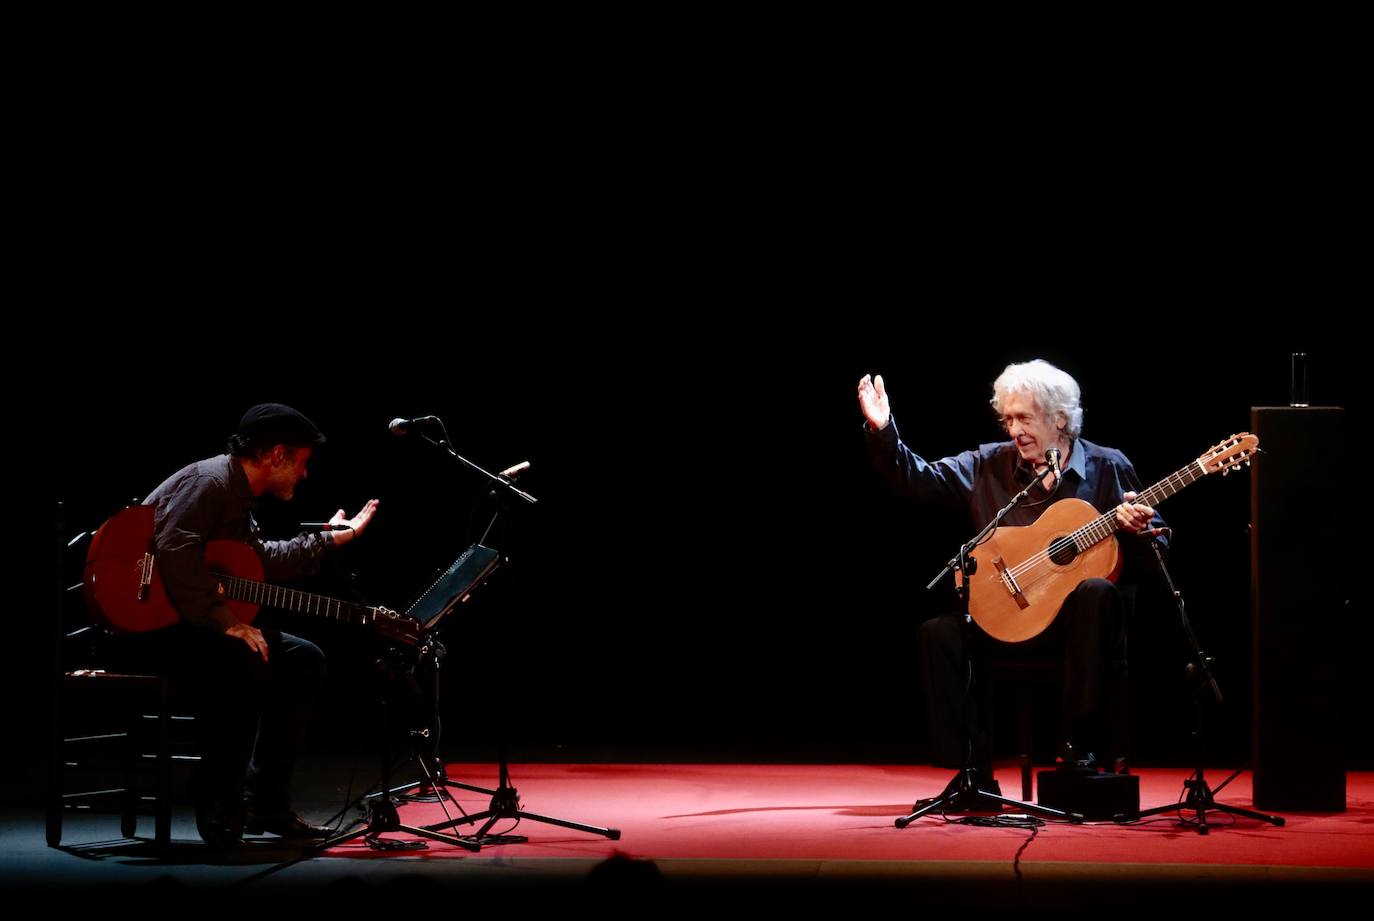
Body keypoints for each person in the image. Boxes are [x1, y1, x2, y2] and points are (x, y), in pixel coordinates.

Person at [858, 360, 1164, 796]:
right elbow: (918, 479)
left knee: (1096, 591)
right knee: (937, 634)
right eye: (1009, 418)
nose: (1014, 429)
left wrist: (1142, 531)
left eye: (1025, 418)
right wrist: (884, 430)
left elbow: (1157, 553)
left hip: (1079, 631)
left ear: (1059, 418)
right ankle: (971, 774)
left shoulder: (1109, 468)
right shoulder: (988, 465)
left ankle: (1078, 752)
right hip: (1010, 619)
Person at [140, 403, 379, 846]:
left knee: (303, 659)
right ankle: (219, 795)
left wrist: (330, 540)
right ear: (277, 455)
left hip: (187, 622)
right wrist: (225, 621)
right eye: (303, 464)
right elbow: (175, 549)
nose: (305, 476)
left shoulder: (237, 495)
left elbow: (258, 562)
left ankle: (265, 801)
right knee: (246, 655)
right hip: (150, 624)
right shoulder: (209, 482)